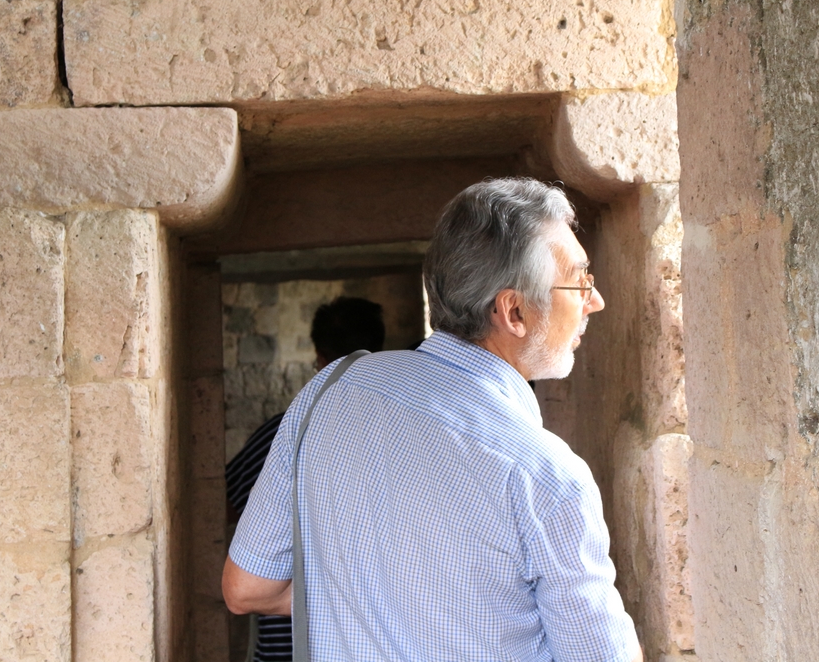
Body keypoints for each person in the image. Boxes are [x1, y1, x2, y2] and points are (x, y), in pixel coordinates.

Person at [223, 178, 643, 661]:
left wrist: (360, 602)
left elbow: (246, 588)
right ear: (514, 311)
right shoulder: (546, 476)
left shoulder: (329, 390)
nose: (595, 301)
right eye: (580, 281)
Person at [225, 296, 386, 662]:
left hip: (289, 642)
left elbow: (228, 502)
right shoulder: (403, 434)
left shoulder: (287, 430)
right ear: (379, 349)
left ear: (320, 357)